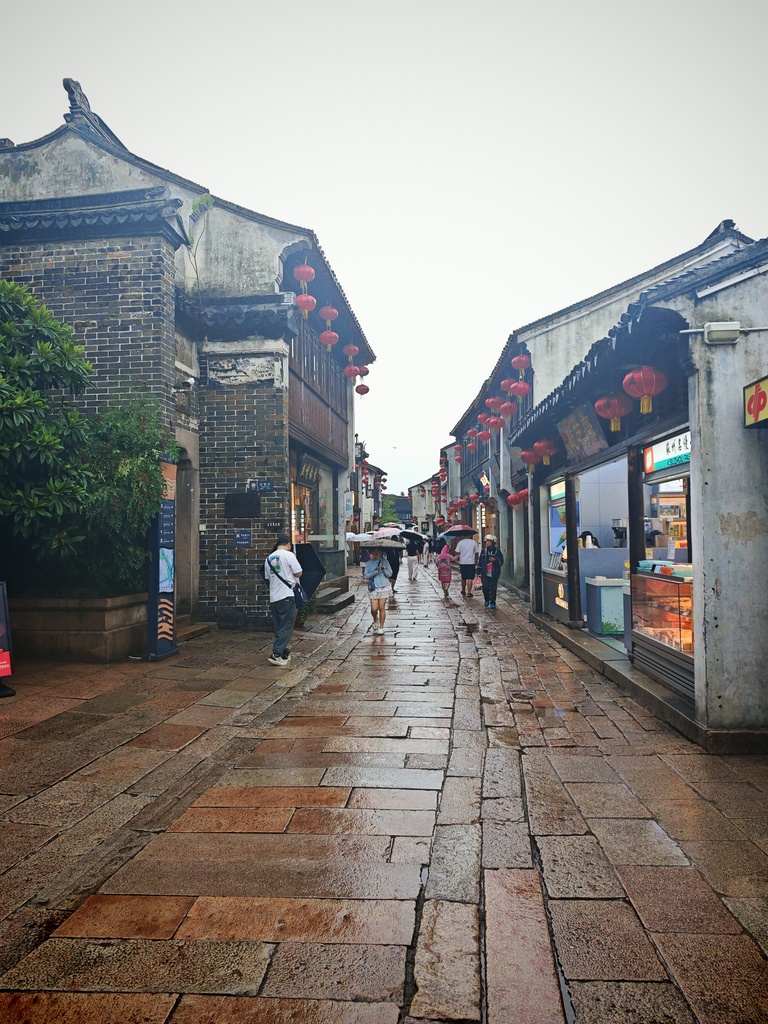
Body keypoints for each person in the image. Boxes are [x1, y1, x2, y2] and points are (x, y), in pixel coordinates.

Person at [264, 536, 303, 667]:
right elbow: (298, 573)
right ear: (288, 545)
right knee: (287, 625)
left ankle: (283, 652)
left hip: (274, 597)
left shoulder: (269, 558)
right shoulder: (289, 555)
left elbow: (267, 578)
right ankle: (276, 654)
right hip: (286, 595)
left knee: (279, 626)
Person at [363, 546, 393, 634]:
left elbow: (390, 574)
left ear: (381, 552)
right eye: (374, 551)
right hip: (374, 588)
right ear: (371, 552)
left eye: (378, 551)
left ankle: (381, 627)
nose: (376, 553)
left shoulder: (385, 561)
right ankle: (375, 619)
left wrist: (383, 569)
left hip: (384, 587)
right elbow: (366, 576)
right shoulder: (369, 563)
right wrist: (375, 572)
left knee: (381, 607)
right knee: (374, 608)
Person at [480, 534, 504, 609]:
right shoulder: (484, 551)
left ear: (492, 542)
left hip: (494, 572)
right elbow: (480, 561)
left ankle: (493, 602)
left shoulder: (497, 551)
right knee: (485, 587)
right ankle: (487, 599)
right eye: (486, 541)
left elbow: (501, 562)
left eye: (488, 541)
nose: (487, 543)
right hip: (485, 572)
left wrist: (495, 560)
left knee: (493, 588)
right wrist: (478, 571)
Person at [455, 532, 481, 597]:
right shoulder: (473, 542)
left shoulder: (460, 542)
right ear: (469, 535)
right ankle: (469, 592)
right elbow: (476, 552)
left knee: (463, 577)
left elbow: (457, 551)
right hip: (471, 562)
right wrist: (476, 560)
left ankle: (463, 590)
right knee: (470, 578)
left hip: (463, 562)